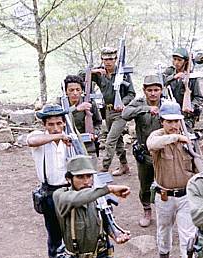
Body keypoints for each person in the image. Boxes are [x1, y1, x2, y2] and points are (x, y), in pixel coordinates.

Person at [146, 101, 199, 258]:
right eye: (169, 122)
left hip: (186, 196)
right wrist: (176, 137)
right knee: (164, 232)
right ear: (162, 122)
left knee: (188, 238)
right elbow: (152, 145)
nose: (174, 125)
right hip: (164, 195)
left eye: (177, 121)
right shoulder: (158, 137)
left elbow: (199, 166)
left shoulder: (190, 139)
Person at [28, 104, 72, 258]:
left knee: (73, 230)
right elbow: (32, 141)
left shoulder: (69, 139)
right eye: (51, 124)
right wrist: (57, 136)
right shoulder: (39, 138)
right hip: (50, 193)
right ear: (45, 125)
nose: (56, 127)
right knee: (54, 233)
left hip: (69, 191)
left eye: (59, 124)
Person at [121, 75, 163, 227]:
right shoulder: (139, 103)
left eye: (156, 90)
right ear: (144, 91)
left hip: (163, 152)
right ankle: (147, 209)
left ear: (161, 90)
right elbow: (124, 114)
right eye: (149, 90)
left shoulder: (167, 104)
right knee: (145, 184)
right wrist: (146, 109)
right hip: (144, 153)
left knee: (164, 183)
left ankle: (164, 211)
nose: (153, 93)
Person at [87, 47, 135, 176]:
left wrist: (122, 103)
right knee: (118, 140)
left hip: (120, 113)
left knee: (110, 140)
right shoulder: (99, 73)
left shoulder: (123, 73)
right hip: (107, 112)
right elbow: (81, 76)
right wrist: (94, 71)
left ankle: (104, 168)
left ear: (116, 59)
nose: (108, 62)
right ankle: (124, 165)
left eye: (111, 59)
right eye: (105, 59)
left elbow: (131, 93)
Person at [162, 47, 203, 129]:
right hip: (170, 112)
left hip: (186, 116)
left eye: (179, 60)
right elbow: (160, 83)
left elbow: (198, 97)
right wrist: (173, 77)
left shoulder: (192, 77)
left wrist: (191, 106)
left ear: (185, 62)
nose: (176, 62)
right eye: (174, 59)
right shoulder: (169, 72)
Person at [62, 74, 102, 154]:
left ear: (82, 91)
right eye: (71, 90)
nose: (75, 93)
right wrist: (76, 109)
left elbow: (98, 122)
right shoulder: (61, 104)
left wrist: (94, 133)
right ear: (66, 92)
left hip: (88, 145)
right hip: (68, 144)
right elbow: (60, 118)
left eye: (78, 89)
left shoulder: (90, 103)